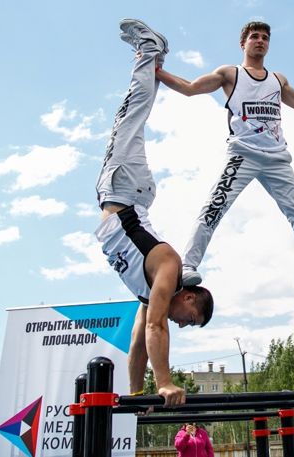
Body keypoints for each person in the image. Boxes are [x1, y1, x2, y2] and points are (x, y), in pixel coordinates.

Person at [155, 21, 294, 299]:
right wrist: (157, 71)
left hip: (277, 159)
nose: (261, 41)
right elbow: (191, 88)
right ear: (243, 43)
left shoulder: (278, 79)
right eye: (255, 36)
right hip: (243, 154)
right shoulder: (230, 74)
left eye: (265, 37)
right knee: (214, 207)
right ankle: (188, 265)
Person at [95, 19, 214, 406]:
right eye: (189, 319)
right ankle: (149, 50)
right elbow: (158, 327)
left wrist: (137, 395)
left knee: (131, 117)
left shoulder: (153, 293)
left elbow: (139, 342)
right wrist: (165, 382)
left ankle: (152, 58)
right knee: (130, 115)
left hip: (123, 191)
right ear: (190, 298)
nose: (182, 323)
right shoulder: (168, 268)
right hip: (125, 190)